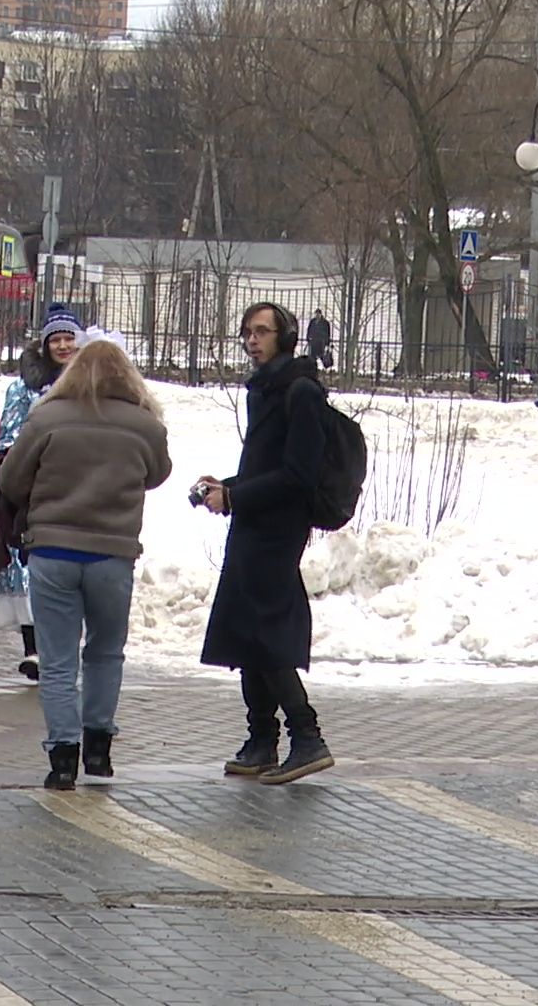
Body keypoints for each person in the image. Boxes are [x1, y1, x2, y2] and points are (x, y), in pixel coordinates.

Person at [0, 337, 171, 789]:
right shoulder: (145, 425)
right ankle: (99, 748)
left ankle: (62, 757)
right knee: (105, 651)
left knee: (57, 662)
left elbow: (11, 478)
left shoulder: (47, 417)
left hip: (53, 552)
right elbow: (158, 473)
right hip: (113, 554)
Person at [201, 301, 335, 786]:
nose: (252, 340)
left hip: (277, 532)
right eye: (247, 332)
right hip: (255, 523)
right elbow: (267, 467)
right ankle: (261, 738)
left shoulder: (300, 391)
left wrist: (234, 495)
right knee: (244, 631)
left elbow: (298, 475)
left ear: (286, 336)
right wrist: (225, 486)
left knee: (266, 633)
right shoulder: (267, 387)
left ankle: (306, 736)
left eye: (262, 332)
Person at [0, 304, 81, 680]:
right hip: (33, 491)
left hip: (77, 490)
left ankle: (60, 648)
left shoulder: (90, 387)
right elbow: (11, 434)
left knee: (68, 570)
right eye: (56, 340)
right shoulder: (24, 388)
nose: (63, 346)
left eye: (69, 339)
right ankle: (34, 650)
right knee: (28, 567)